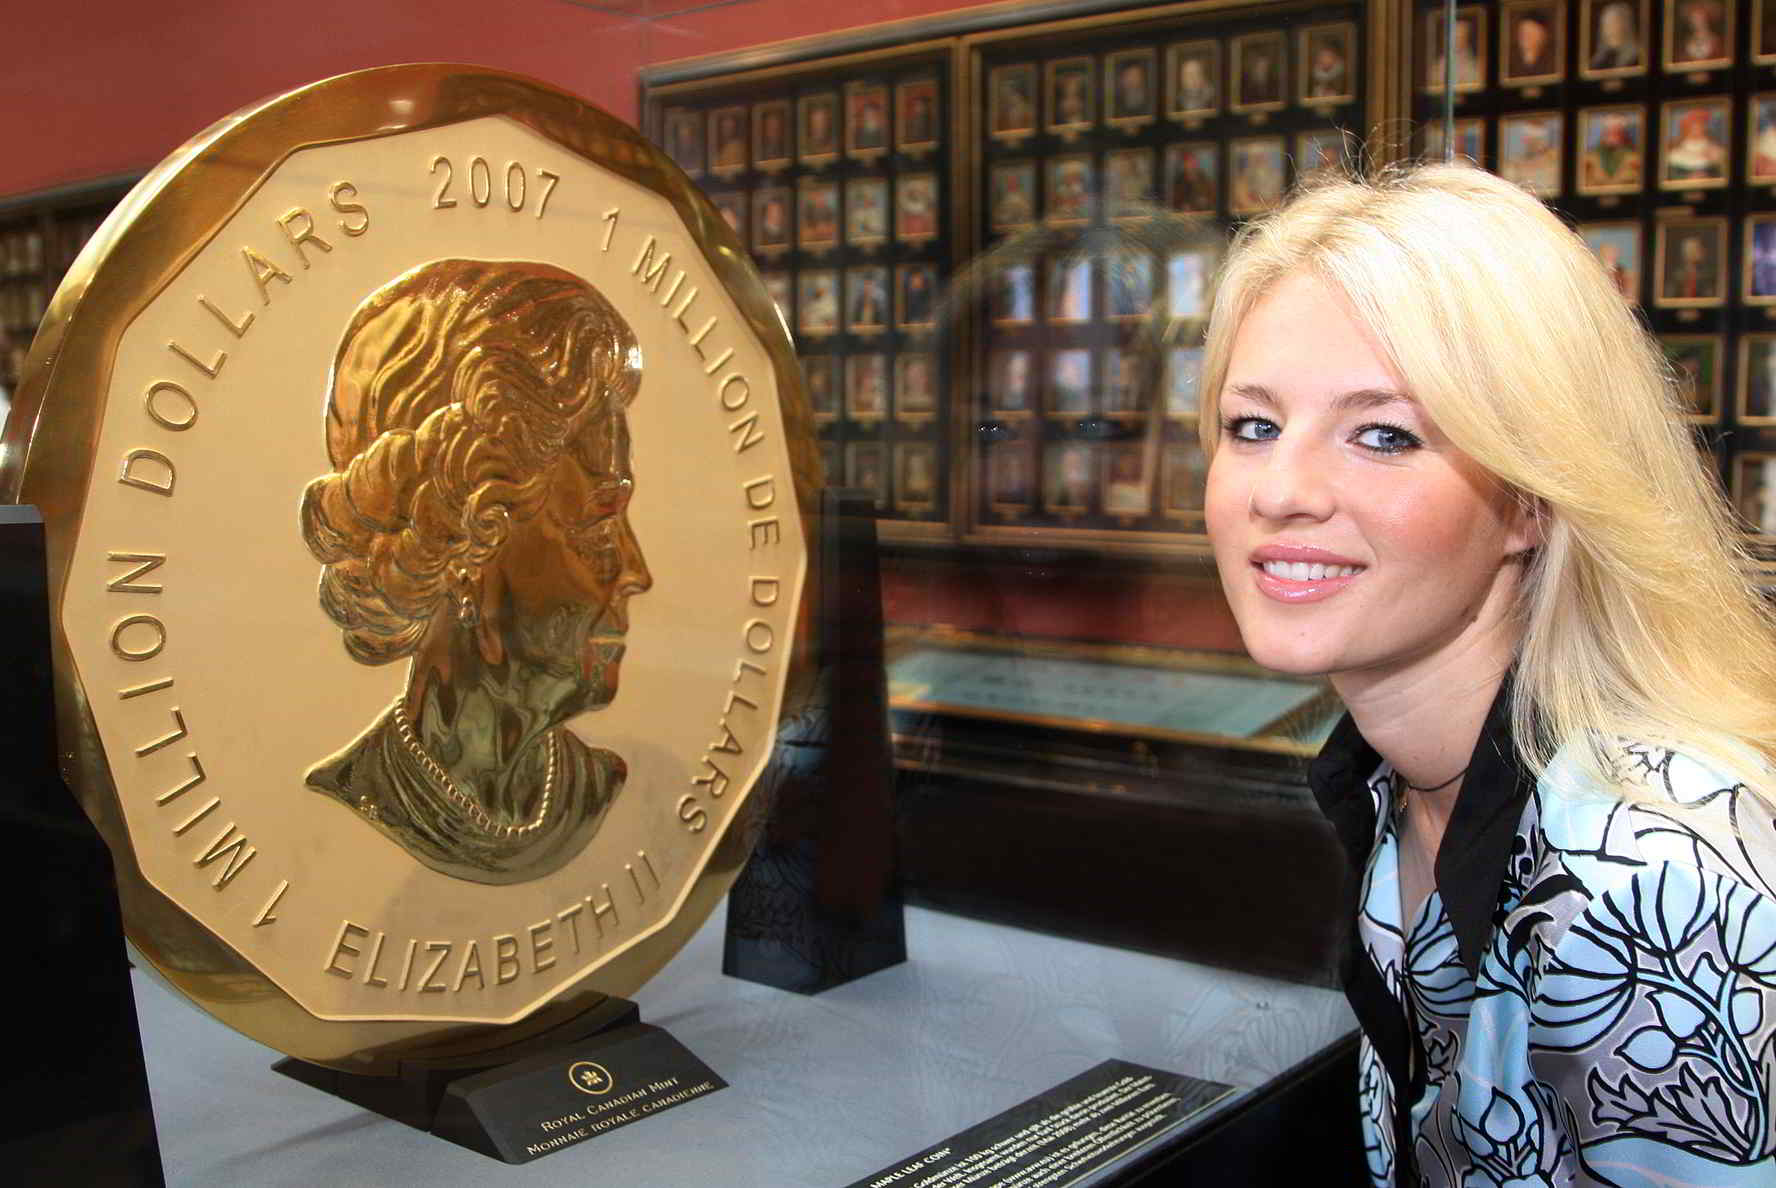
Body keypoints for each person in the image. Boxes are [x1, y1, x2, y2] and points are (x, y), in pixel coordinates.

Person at [1200, 163, 1776, 1185]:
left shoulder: (1647, 878)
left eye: (1384, 434)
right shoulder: (1402, 786)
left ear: (1530, 502)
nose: (1280, 488)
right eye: (1254, 425)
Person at [300, 261, 650, 885]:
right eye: (598, 530)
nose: (635, 573)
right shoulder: (355, 802)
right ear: (471, 548)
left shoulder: (596, 786)